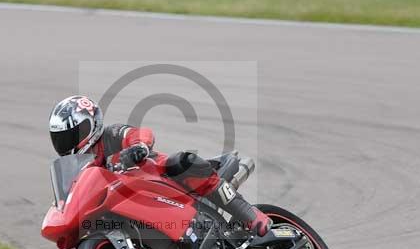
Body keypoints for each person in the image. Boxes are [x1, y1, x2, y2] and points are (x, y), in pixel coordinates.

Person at [48, 95, 271, 236]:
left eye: (72, 134)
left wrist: (139, 147)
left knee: (183, 162)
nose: (67, 142)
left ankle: (251, 215)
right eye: (61, 138)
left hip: (161, 179)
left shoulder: (110, 135)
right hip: (130, 205)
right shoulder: (81, 168)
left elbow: (139, 134)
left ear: (92, 124)